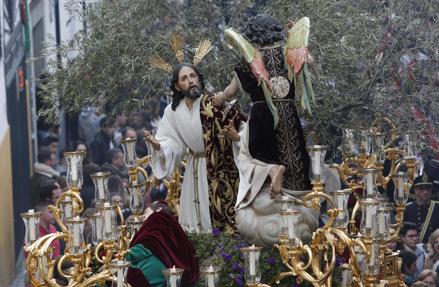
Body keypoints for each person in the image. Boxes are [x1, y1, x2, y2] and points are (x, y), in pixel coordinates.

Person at [216, 14, 330, 245]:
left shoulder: (248, 60)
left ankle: (272, 173)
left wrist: (218, 98)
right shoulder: (288, 54)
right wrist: (293, 39)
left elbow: (230, 91)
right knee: (294, 155)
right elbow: (311, 61)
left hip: (261, 117)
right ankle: (293, 195)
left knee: (254, 160)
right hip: (288, 115)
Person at [145, 63, 245, 232]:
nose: (191, 81)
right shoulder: (172, 111)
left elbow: (243, 127)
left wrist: (237, 137)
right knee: (194, 221)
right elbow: (172, 143)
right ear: (177, 86)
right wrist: (159, 147)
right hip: (194, 168)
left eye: (193, 76)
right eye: (184, 78)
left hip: (220, 169)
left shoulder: (213, 103)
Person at [126, 201, 199, 286]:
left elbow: (144, 248)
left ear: (158, 209)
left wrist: (120, 254)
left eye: (145, 212)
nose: (142, 217)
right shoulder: (173, 227)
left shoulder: (156, 221)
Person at [404, 173, 439, 244]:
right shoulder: (408, 209)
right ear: (415, 190)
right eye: (422, 189)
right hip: (414, 249)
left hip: (435, 249)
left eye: (428, 189)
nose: (425, 192)